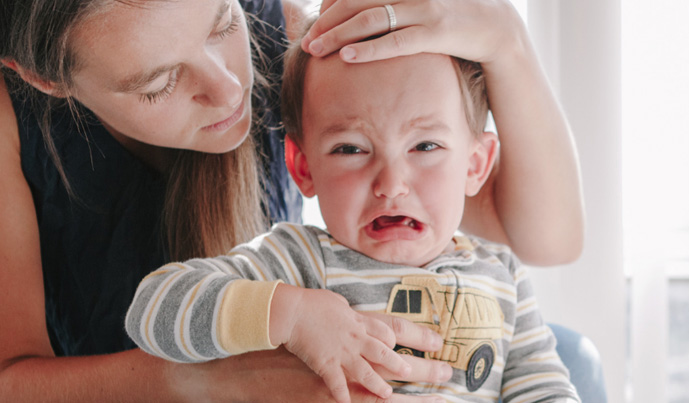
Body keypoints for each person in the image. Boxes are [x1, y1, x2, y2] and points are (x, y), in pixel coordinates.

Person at [0, 0, 595, 401]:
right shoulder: (295, 263)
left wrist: (506, 42)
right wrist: (224, 374)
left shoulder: (302, 42)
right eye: (159, 84)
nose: (232, 88)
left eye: (222, 24)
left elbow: (549, 242)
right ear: (44, 79)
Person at [125, 37, 581, 402]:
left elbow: (543, 389)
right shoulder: (300, 262)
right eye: (351, 149)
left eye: (425, 147)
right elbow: (151, 311)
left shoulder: (503, 277)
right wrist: (292, 315)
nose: (392, 183)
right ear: (304, 168)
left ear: (475, 165)